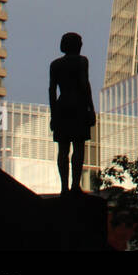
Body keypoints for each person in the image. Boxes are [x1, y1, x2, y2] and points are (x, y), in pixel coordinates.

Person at [49, 32, 96, 194]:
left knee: (63, 149)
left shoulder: (55, 64)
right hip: (78, 106)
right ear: (76, 45)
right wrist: (91, 108)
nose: (82, 44)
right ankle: (75, 185)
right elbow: (85, 84)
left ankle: (64, 187)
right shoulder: (82, 61)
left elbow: (52, 91)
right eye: (80, 42)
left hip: (62, 107)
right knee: (78, 146)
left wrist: (53, 114)